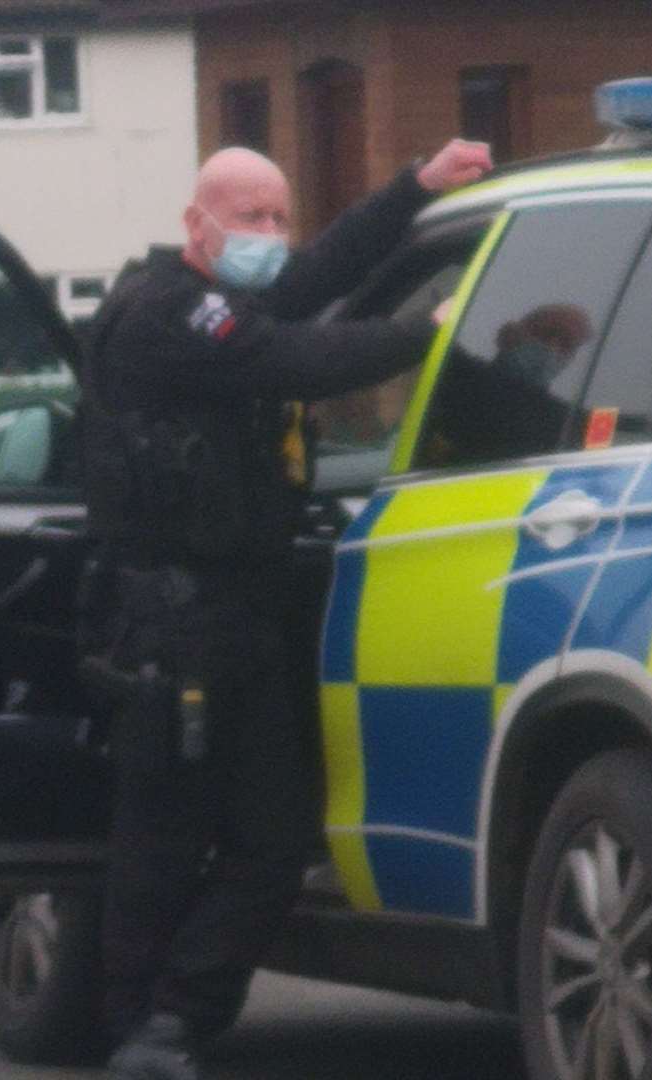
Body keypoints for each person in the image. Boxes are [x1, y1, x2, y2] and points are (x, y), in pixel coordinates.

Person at [81, 139, 493, 1080]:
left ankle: (181, 1019)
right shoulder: (164, 316)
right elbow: (302, 356)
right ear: (197, 223)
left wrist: (413, 188)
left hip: (244, 612)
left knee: (272, 840)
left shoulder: (227, 298)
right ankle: (136, 1029)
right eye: (250, 217)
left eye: (278, 215)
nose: (270, 235)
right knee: (163, 837)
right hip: (168, 624)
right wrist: (431, 328)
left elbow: (315, 278)